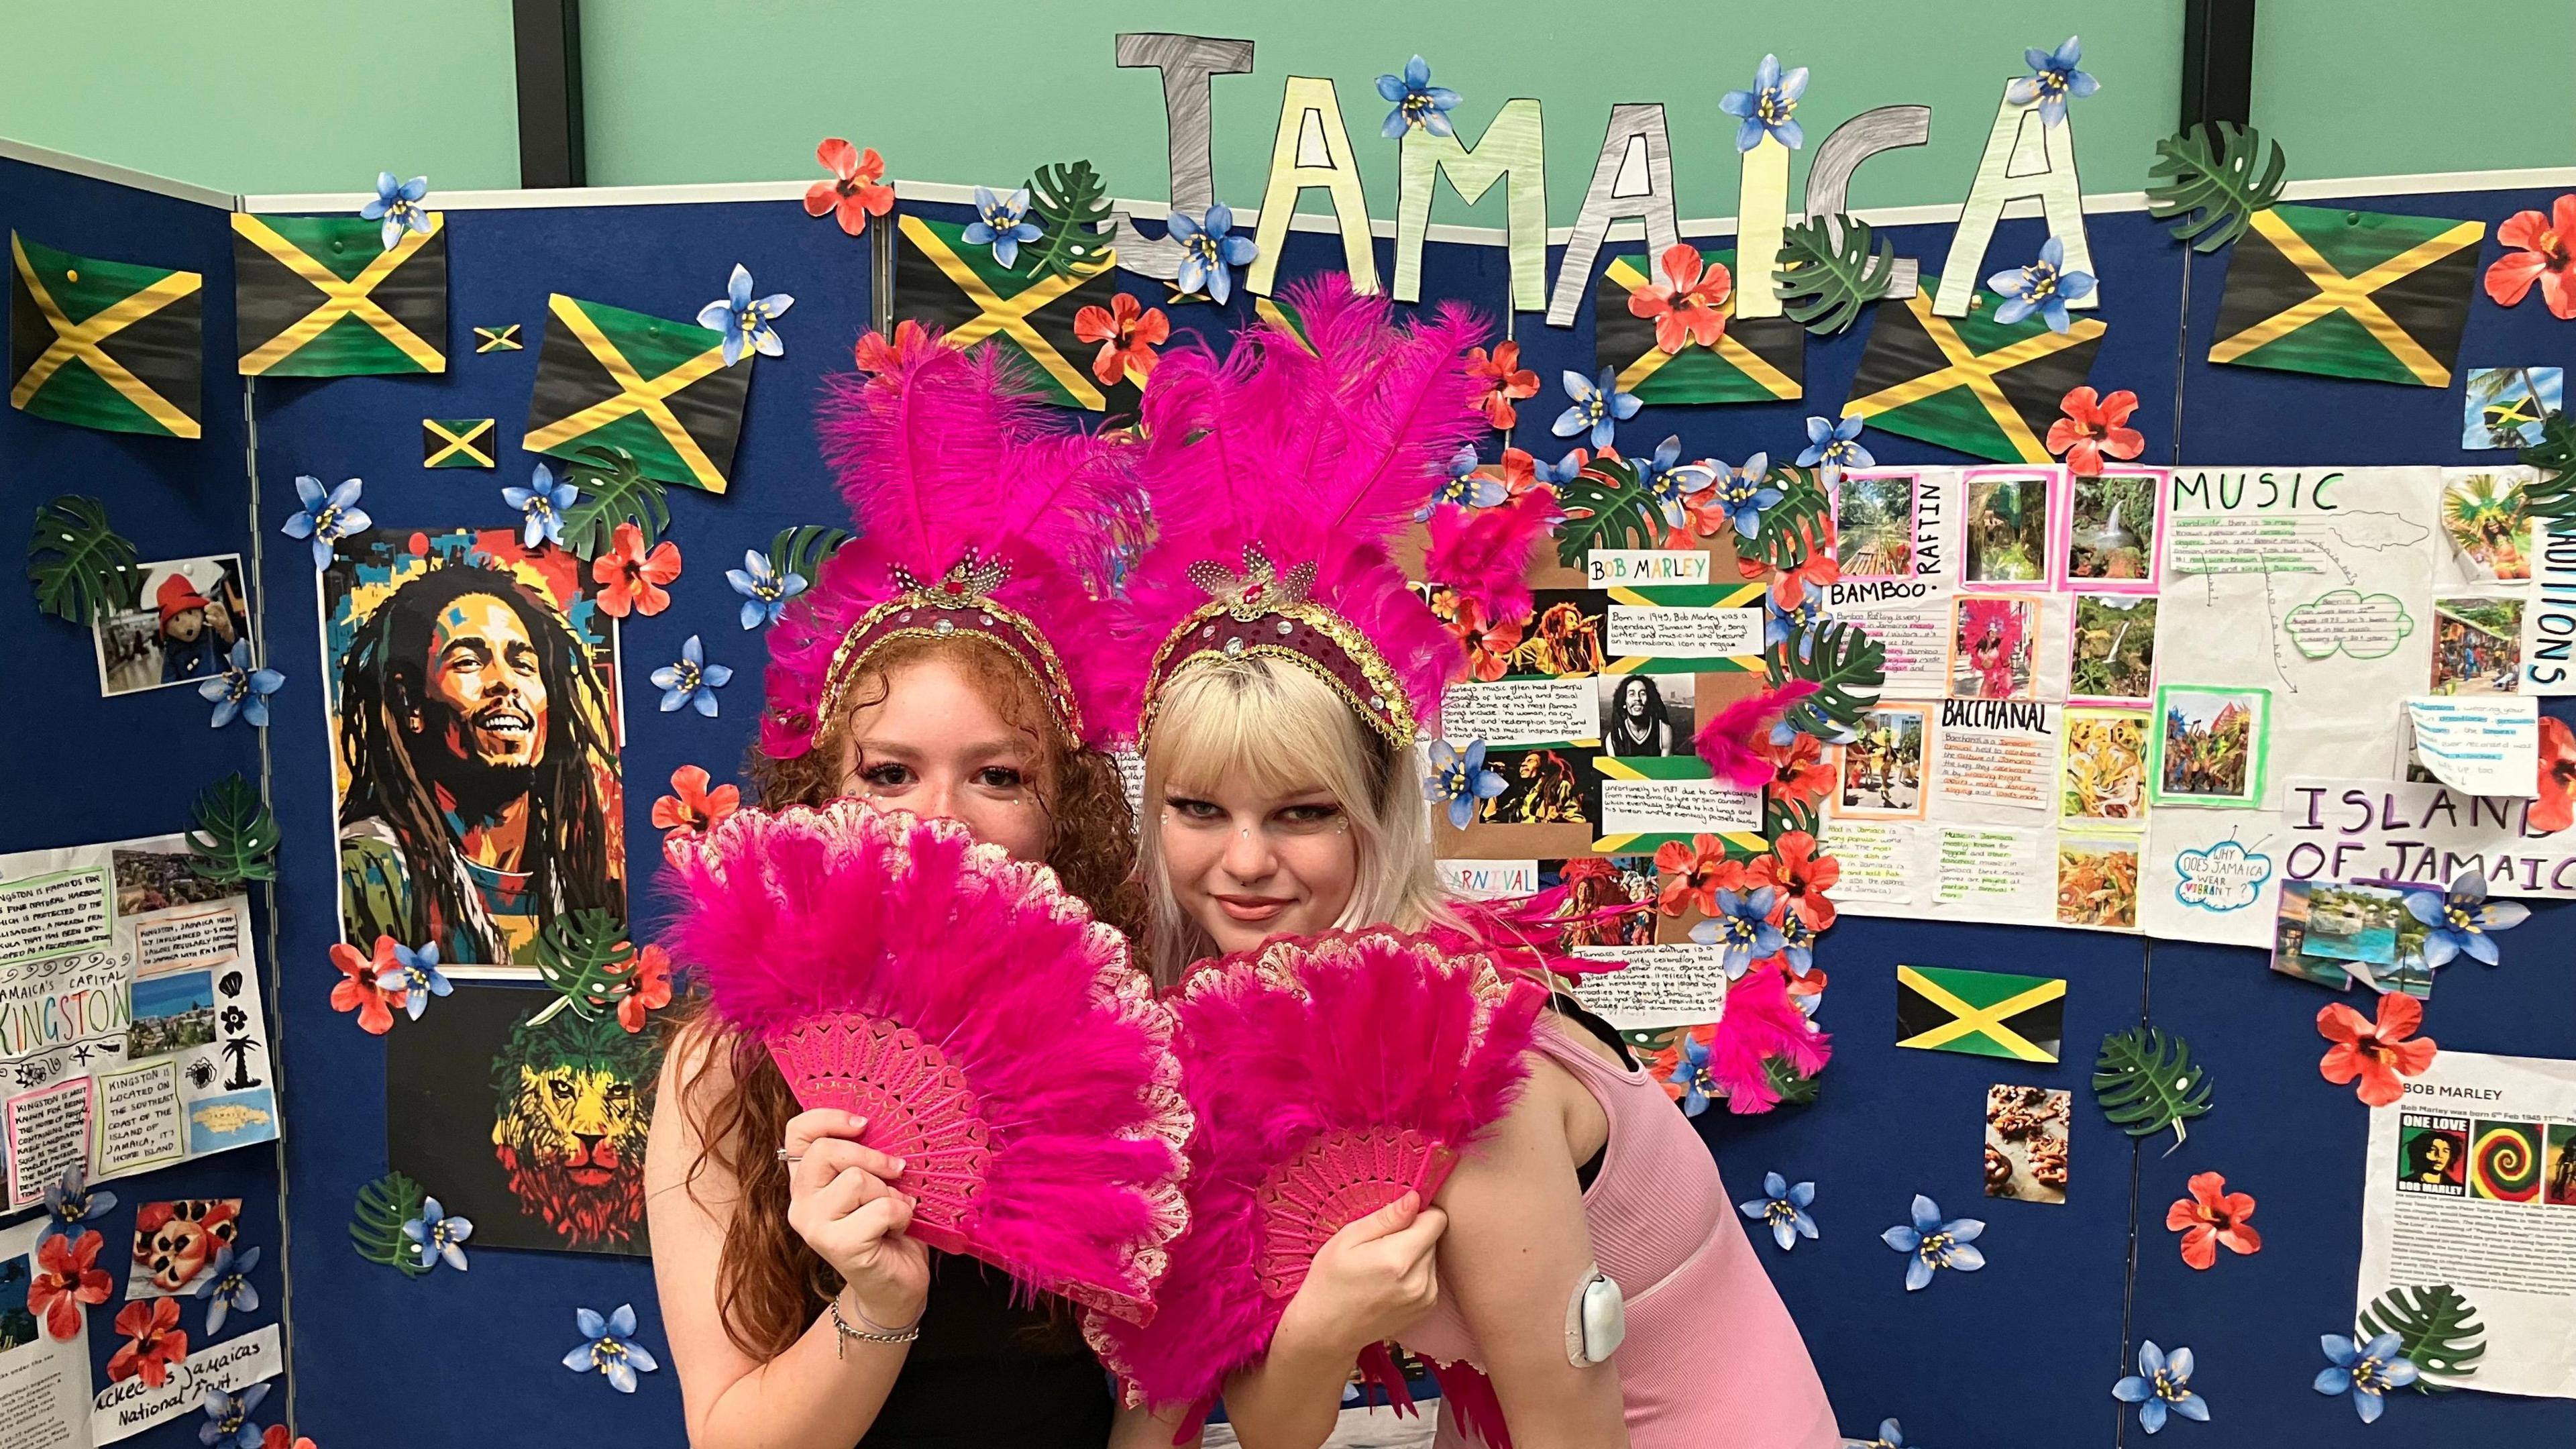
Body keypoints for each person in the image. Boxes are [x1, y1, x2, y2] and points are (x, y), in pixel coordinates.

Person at [1113, 280, 1839, 1449]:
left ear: (1376, 816)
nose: (1241, 864)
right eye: (1199, 808)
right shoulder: (1251, 1010)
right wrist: (1310, 1338)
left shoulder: (1460, 1059)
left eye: (1301, 812)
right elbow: (1266, 1419)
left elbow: (1572, 1434)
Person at [645, 331, 1183, 1449]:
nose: (938, 823)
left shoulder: (1132, 1044)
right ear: (823, 792)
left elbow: (1148, 1420)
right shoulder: (723, 1070)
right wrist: (878, 1305)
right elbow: (731, 1438)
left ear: (1061, 809)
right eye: (890, 774)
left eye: (998, 776)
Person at [333, 561, 623, 965]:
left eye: (524, 664)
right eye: (469, 661)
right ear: (410, 703)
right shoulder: (365, 872)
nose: (505, 681)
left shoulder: (587, 886)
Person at [154, 572, 223, 682]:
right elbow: (169, 680)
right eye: (176, 619)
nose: (187, 626)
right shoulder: (172, 649)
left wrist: (226, 630)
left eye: (191, 612)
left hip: (223, 684)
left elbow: (230, 645)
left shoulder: (211, 631)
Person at [1601, 676, 1675, 758]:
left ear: (1649, 700)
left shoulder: (1663, 731)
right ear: (1624, 702)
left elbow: (1665, 768)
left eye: (1642, 694)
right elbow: (1615, 770)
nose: (1638, 698)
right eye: (1632, 694)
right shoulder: (1614, 738)